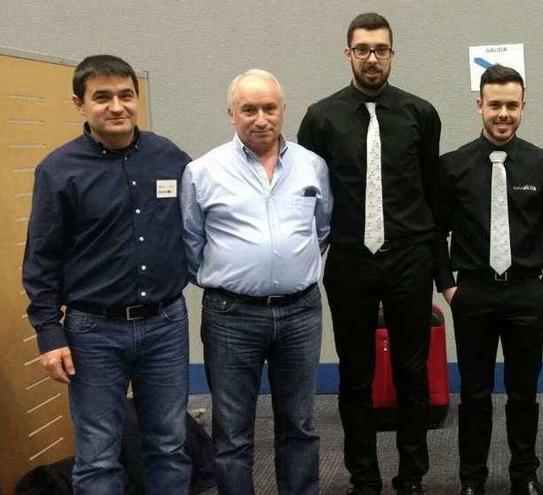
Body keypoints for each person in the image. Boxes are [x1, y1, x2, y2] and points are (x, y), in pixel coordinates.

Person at [22, 54, 192, 493]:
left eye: (126, 95)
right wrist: (48, 333)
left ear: (137, 98)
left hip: (165, 325)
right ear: (79, 103)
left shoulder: (169, 157)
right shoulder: (59, 171)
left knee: (170, 445)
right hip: (93, 332)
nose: (116, 106)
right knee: (98, 456)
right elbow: (41, 260)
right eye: (102, 97)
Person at [296, 12, 441, 495]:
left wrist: (432, 259)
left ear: (392, 54)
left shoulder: (421, 113)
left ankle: (412, 475)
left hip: (408, 256)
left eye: (381, 49)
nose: (372, 58)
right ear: (348, 54)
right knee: (355, 372)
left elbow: (429, 191)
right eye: (363, 49)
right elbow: (309, 191)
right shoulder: (320, 116)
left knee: (411, 370)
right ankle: (363, 476)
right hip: (351, 257)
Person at [180, 69, 332, 495]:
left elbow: (322, 230)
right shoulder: (202, 172)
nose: (260, 118)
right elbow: (191, 242)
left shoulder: (312, 167)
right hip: (231, 316)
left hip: (300, 311)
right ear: (232, 114)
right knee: (232, 434)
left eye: (270, 108)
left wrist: (287, 269)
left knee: (299, 425)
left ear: (283, 111)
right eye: (249, 109)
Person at [434, 64, 543, 495]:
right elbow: (435, 231)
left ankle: (524, 474)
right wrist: (447, 285)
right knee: (474, 393)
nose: (503, 114)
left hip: (527, 292)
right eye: (495, 105)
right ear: (479, 106)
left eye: (512, 105)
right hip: (472, 292)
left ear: (523, 107)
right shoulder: (452, 166)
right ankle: (472, 478)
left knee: (523, 392)